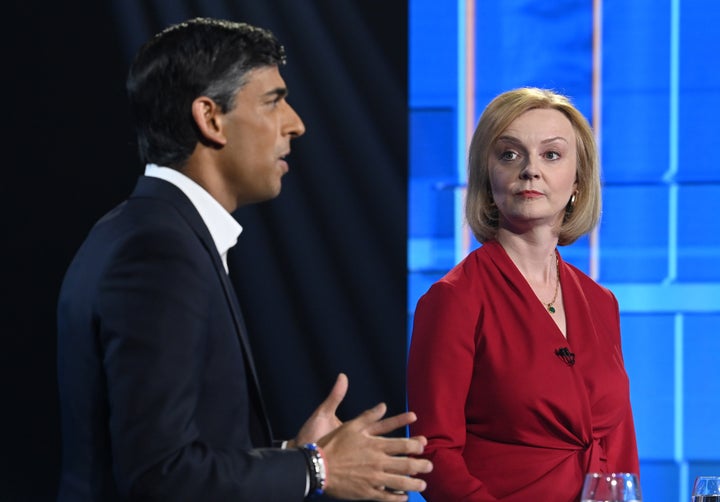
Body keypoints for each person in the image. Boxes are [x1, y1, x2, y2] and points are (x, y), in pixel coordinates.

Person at [56, 17, 432, 501]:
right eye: (273, 101)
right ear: (210, 118)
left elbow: (180, 452)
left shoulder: (147, 232)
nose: (296, 123)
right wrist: (316, 468)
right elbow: (158, 475)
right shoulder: (157, 251)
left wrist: (291, 453)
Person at [406, 87, 639, 501]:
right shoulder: (453, 299)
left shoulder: (601, 303)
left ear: (578, 182)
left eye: (551, 155)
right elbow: (434, 454)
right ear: (486, 178)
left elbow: (618, 451)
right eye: (510, 154)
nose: (530, 170)